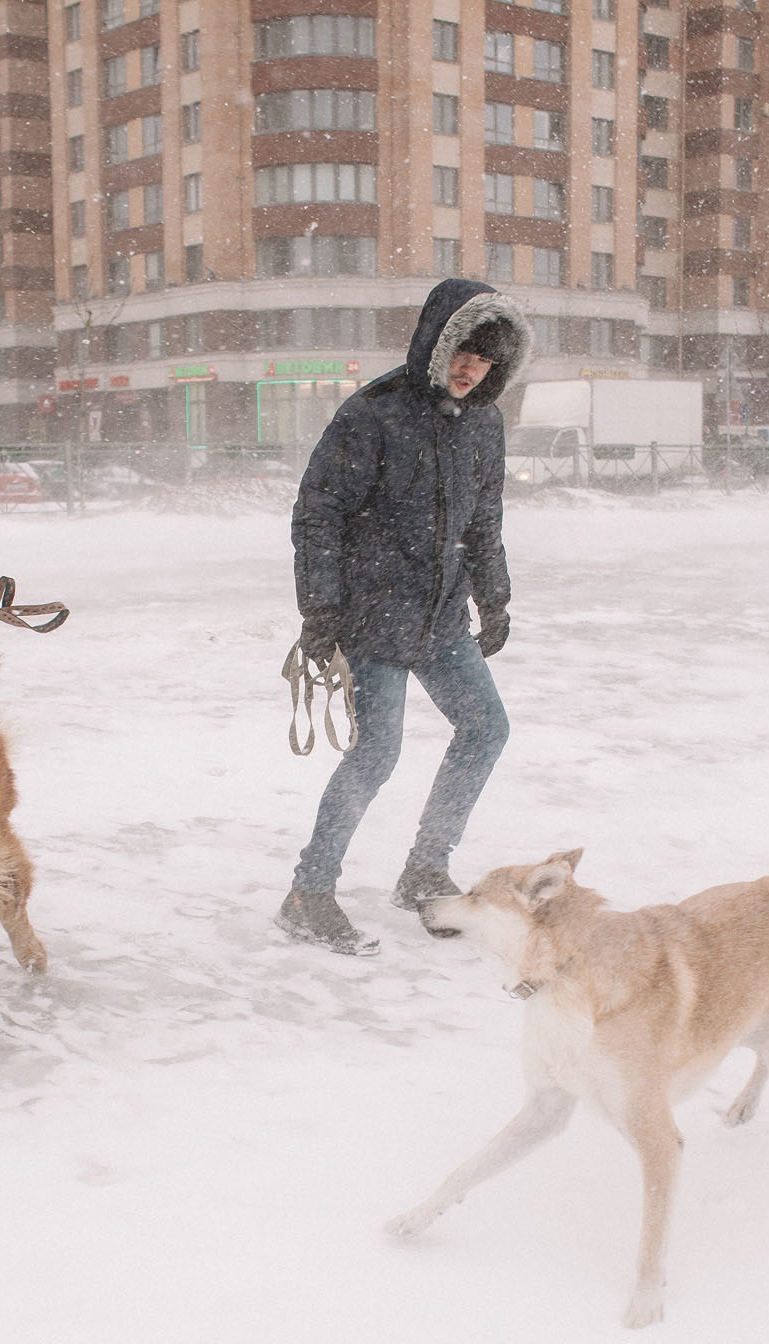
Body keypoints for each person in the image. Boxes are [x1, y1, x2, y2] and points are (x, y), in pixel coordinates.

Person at [278, 277, 529, 956]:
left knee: (485, 728)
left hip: (440, 619)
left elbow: (483, 520)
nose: (470, 367)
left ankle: (425, 867)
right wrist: (320, 605)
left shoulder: (484, 422)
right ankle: (309, 892)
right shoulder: (373, 413)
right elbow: (318, 513)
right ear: (437, 340)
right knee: (377, 754)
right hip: (371, 618)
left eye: (486, 358)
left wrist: (494, 596)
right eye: (463, 350)